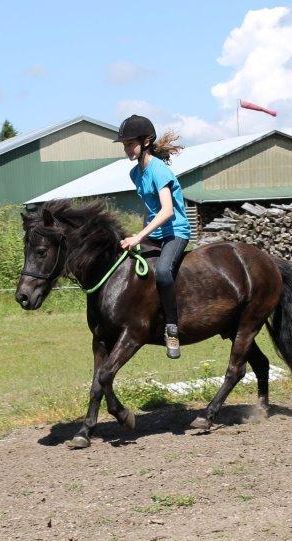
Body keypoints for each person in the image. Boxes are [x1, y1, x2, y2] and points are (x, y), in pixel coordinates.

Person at [114, 114, 190, 359]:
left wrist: (139, 237)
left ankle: (171, 328)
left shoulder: (158, 169)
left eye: (129, 144)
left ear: (145, 142)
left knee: (164, 272)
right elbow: (150, 208)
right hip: (154, 233)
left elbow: (167, 211)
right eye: (124, 145)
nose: (126, 149)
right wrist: (138, 234)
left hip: (174, 232)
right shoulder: (135, 173)